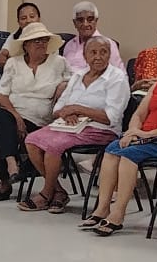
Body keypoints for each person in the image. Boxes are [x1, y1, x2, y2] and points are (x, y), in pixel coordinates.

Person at [81, 42, 157, 236]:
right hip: (148, 140)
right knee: (112, 149)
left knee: (129, 154)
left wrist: (146, 135)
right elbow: (139, 114)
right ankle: (102, 208)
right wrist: (132, 131)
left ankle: (118, 214)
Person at [23, 34, 127, 213]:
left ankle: (46, 193)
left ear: (110, 55)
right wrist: (66, 113)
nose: (98, 57)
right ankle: (58, 191)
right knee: (31, 140)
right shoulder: (78, 75)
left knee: (53, 146)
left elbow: (112, 117)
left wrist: (78, 109)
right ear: (85, 56)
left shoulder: (117, 78)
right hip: (69, 125)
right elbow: (58, 108)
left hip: (101, 129)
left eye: (103, 52)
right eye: (93, 52)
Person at [0, 21, 68, 201]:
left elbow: (74, 83)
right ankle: (12, 164)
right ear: (25, 45)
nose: (41, 44)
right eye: (36, 41)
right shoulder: (13, 63)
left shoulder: (59, 63)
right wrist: (17, 118)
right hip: (12, 112)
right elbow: (1, 95)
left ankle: (6, 181)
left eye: (44, 40)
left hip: (40, 118)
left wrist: (64, 86)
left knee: (2, 130)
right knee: (0, 116)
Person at [61, 2, 121, 74]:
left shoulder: (109, 45)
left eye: (90, 19)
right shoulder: (69, 45)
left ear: (96, 21)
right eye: (80, 20)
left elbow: (118, 76)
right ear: (75, 23)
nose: (85, 24)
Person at [0, 2, 42, 70]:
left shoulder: (48, 37)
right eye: (23, 18)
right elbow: (1, 59)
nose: (28, 20)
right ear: (18, 22)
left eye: (32, 16)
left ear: (39, 19)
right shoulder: (14, 36)